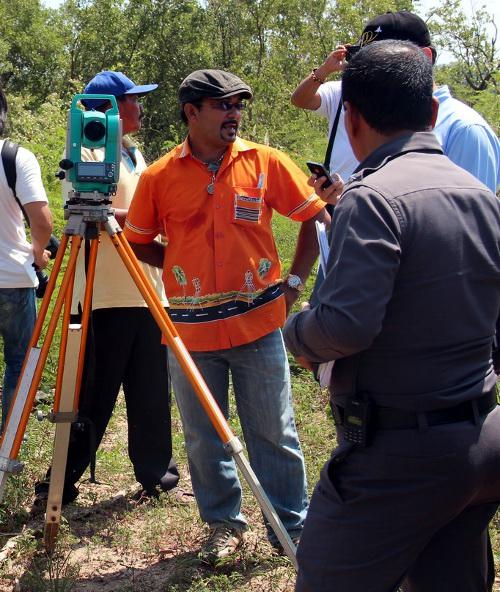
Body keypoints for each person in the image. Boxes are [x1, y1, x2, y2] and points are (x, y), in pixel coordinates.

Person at [284, 40, 500, 592]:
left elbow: (346, 327)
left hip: (400, 454)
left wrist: (297, 329)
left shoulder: (371, 197)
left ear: (350, 119)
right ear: (431, 113)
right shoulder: (480, 194)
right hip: (480, 441)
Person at [124, 69, 329, 562]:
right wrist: (176, 264)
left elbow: (314, 216)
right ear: (191, 113)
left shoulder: (265, 162)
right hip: (191, 334)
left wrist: (293, 286)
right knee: (202, 435)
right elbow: (137, 243)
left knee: (274, 430)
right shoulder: (158, 178)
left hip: (258, 325)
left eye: (239, 105)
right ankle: (223, 526)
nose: (234, 114)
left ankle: (291, 527)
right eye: (223, 105)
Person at [35, 71, 179, 507]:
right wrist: (144, 218)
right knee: (94, 395)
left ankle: (157, 475)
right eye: (132, 99)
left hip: (147, 291)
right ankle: (58, 484)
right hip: (105, 294)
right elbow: (84, 209)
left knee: (151, 390)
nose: (139, 107)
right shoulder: (88, 149)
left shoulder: (133, 153)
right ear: (111, 106)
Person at [292, 10, 500, 194]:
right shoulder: (385, 120)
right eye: (363, 62)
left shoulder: (465, 129)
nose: (368, 72)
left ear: (424, 57)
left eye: (381, 62)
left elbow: (470, 229)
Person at [0, 85, 53, 431]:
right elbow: (43, 221)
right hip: (12, 280)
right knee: (19, 361)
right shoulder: (15, 157)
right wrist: (39, 254)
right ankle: (7, 447)